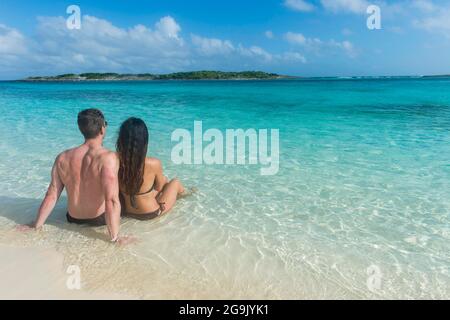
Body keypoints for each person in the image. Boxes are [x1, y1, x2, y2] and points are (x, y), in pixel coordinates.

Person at [18, 109, 131, 244]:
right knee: (120, 197)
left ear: (81, 129)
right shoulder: (108, 158)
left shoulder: (62, 157)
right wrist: (115, 238)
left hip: (72, 218)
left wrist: (36, 225)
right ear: (102, 129)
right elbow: (111, 200)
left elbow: (52, 195)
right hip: (98, 220)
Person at [116, 117, 184, 219]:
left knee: (163, 181)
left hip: (127, 211)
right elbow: (159, 187)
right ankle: (186, 196)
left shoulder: (115, 161)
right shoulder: (153, 163)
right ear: (144, 141)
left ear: (121, 139)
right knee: (175, 182)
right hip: (150, 213)